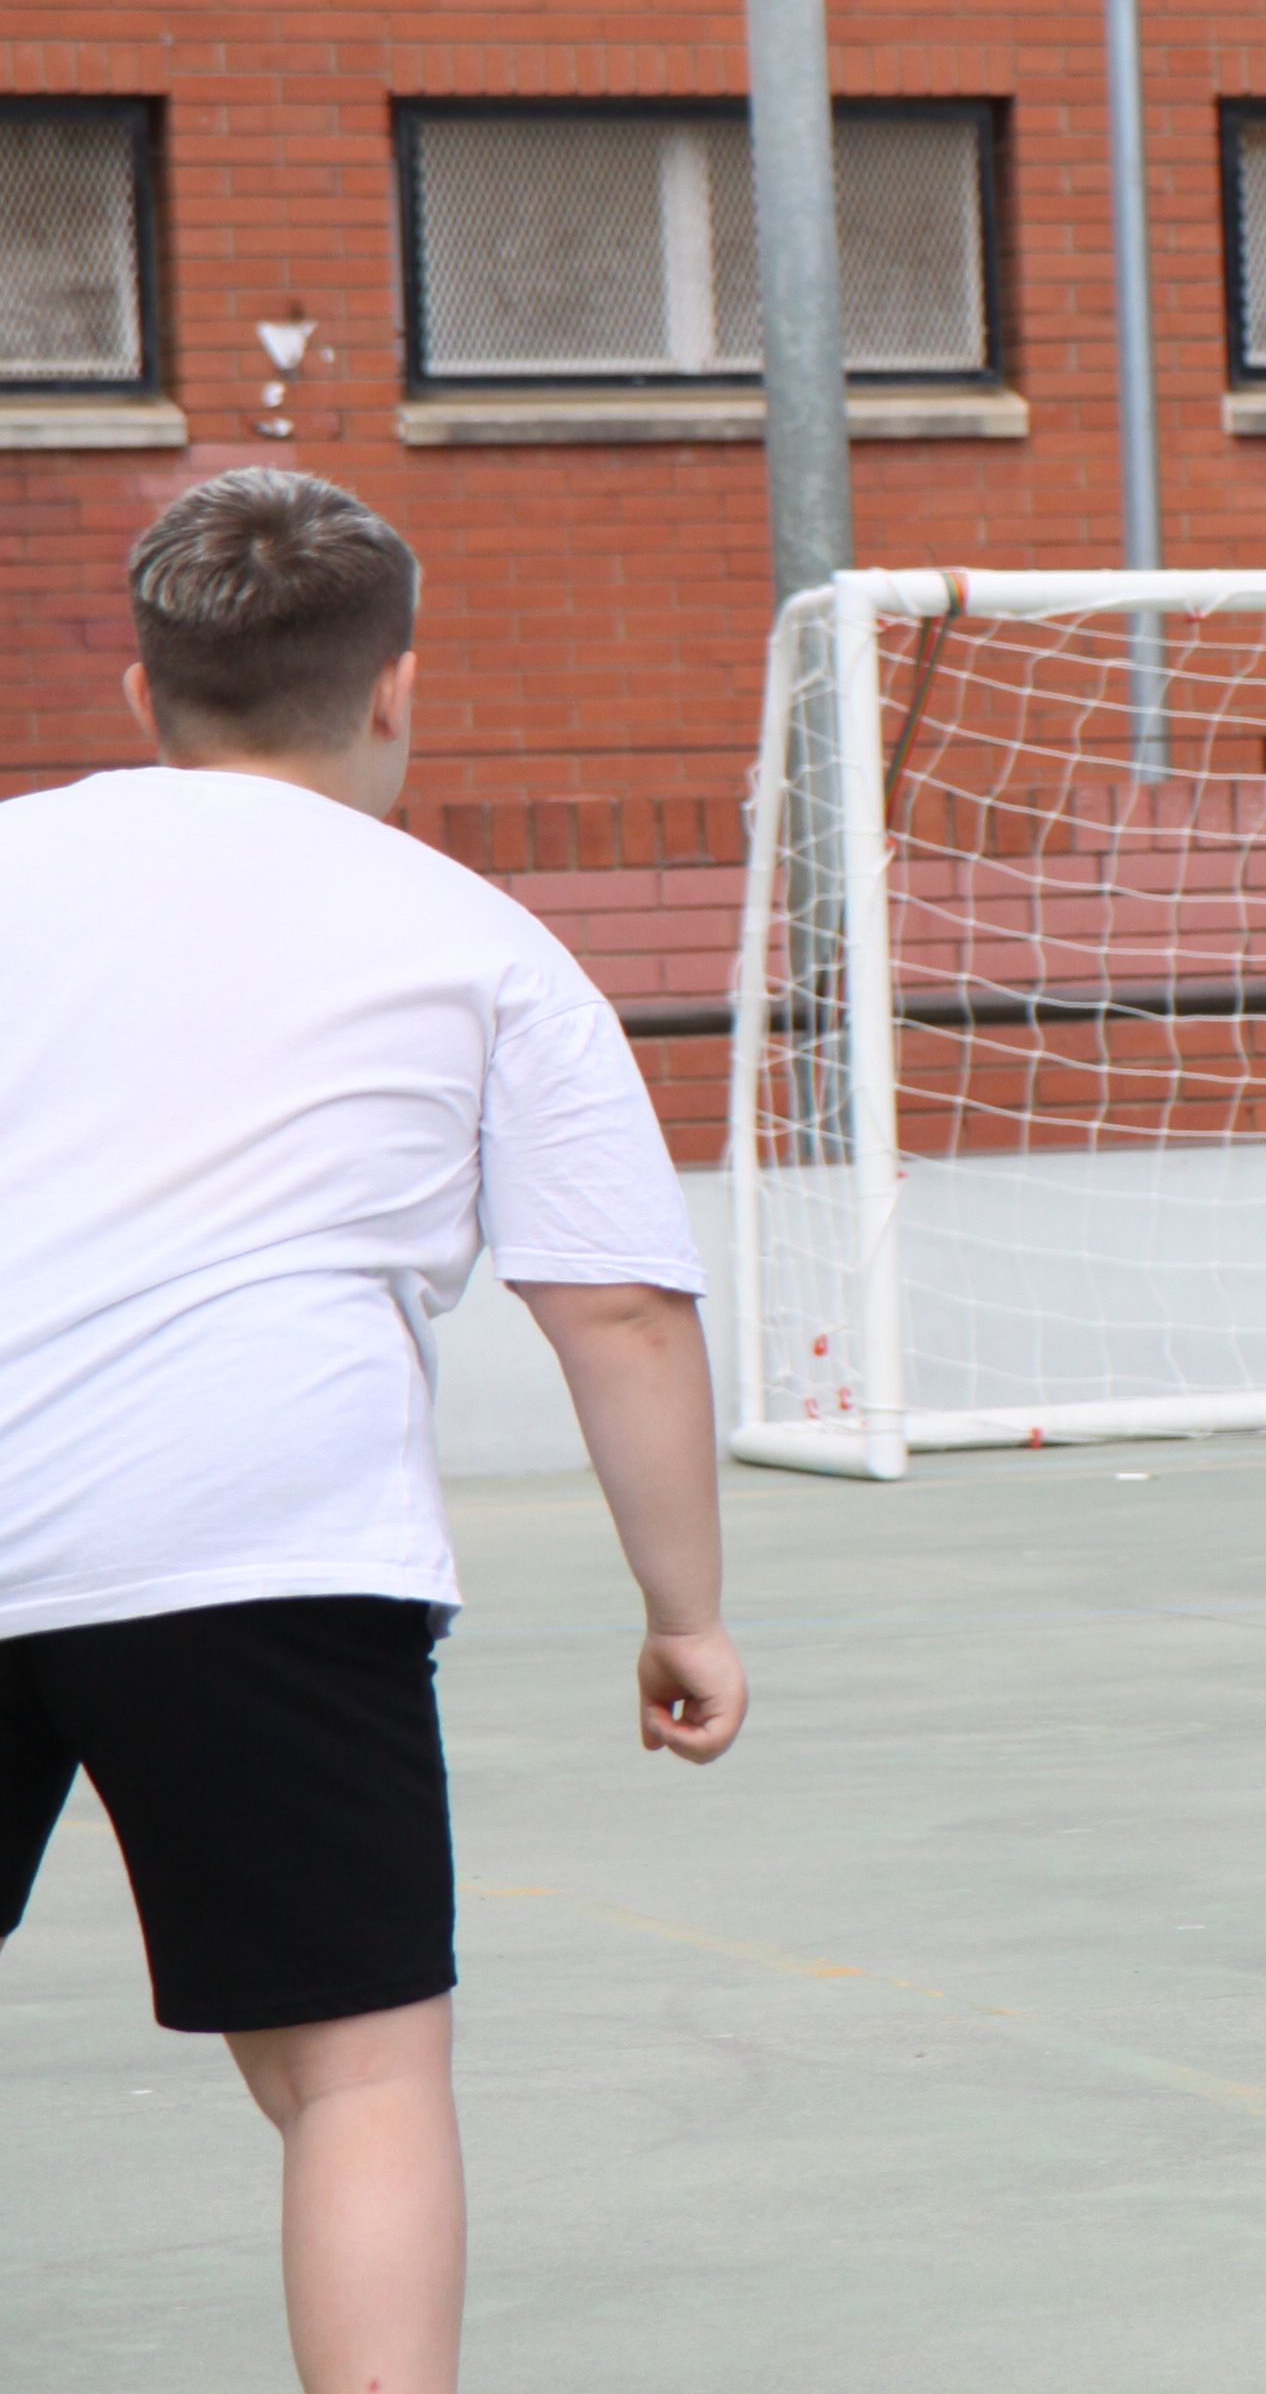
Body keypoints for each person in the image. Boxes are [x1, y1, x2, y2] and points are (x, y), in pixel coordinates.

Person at [0, 471, 744, 2394]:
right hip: (258, 1536)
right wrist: (689, 1608)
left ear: (145, 683)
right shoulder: (473, 936)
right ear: (395, 687)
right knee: (359, 2072)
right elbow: (617, 1308)